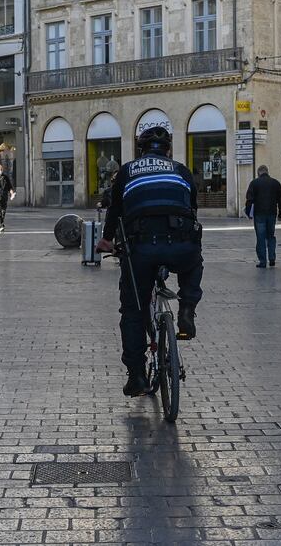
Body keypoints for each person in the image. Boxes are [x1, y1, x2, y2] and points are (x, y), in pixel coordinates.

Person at [96, 127, 204, 397]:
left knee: (133, 310)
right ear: (168, 150)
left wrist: (107, 240)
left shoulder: (127, 171)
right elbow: (192, 207)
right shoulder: (180, 170)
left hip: (142, 247)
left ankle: (137, 377)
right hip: (181, 242)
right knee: (193, 263)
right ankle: (187, 309)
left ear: (141, 150)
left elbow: (115, 211)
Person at [245, 165, 281, 267]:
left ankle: (263, 261)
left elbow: (249, 199)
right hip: (272, 213)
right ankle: (272, 258)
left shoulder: (254, 183)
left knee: (261, 237)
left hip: (259, 214)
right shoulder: (275, 183)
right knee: (271, 236)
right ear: (267, 172)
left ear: (258, 173)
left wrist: (248, 213)